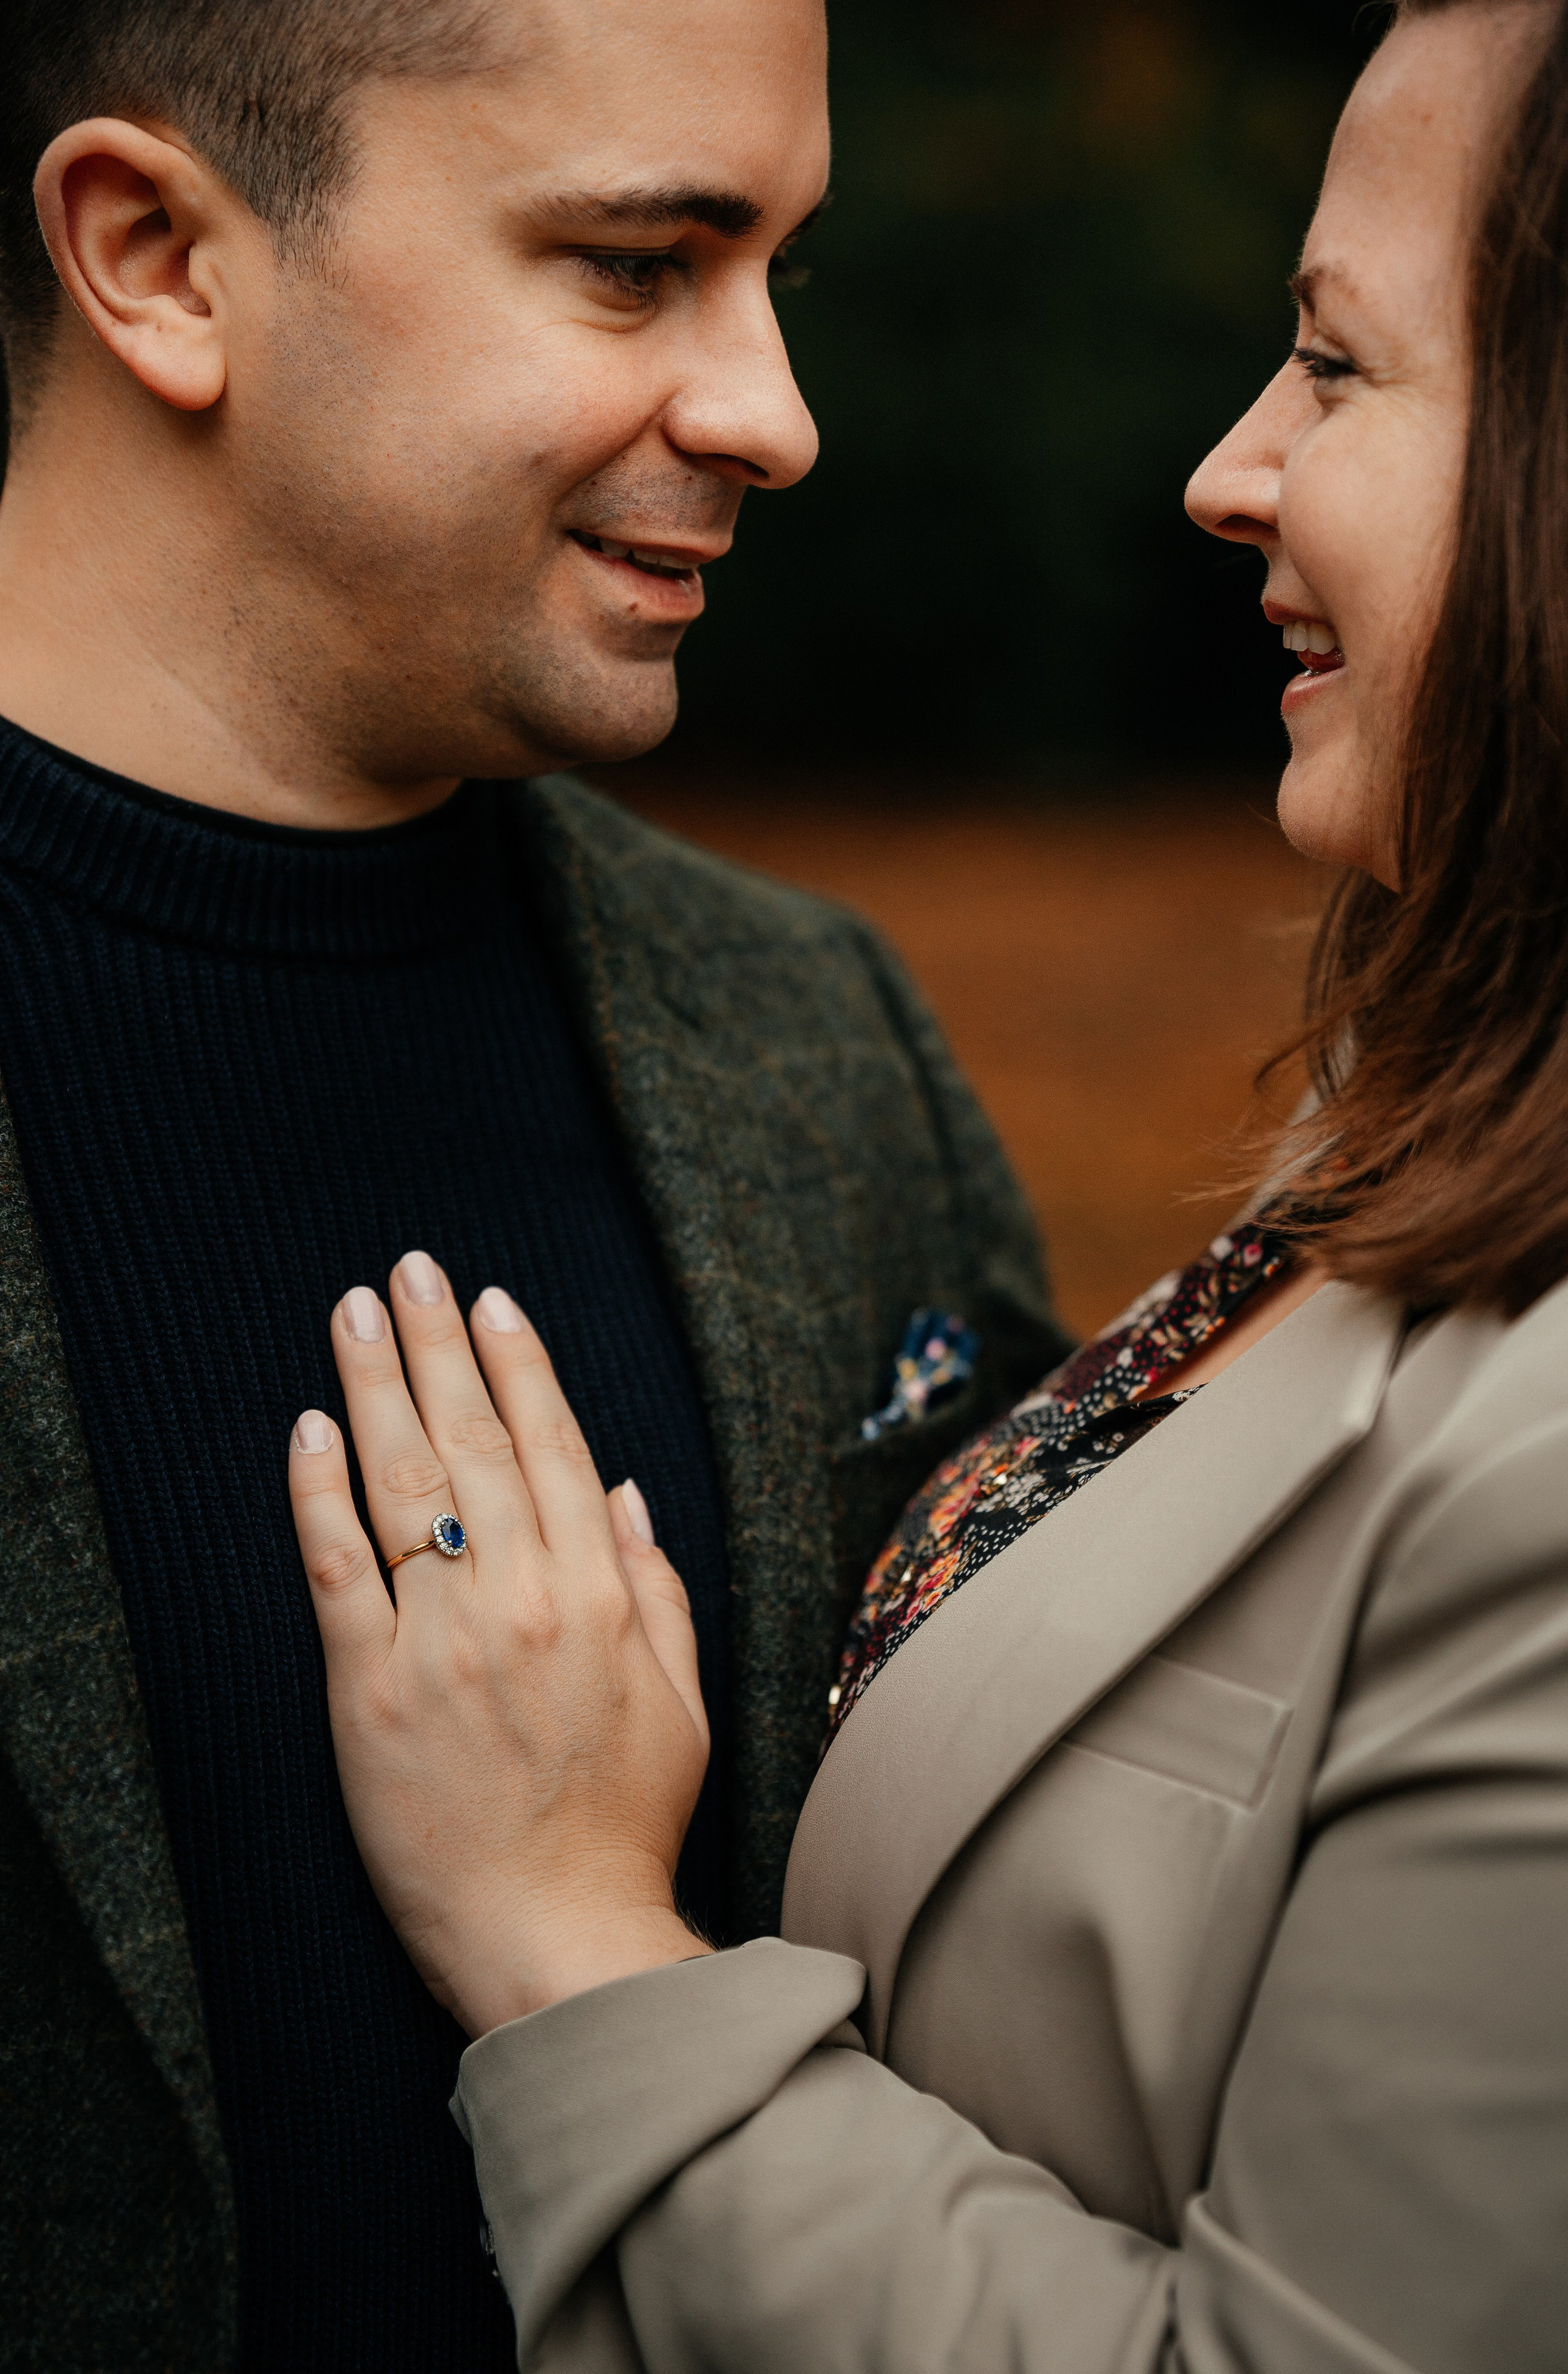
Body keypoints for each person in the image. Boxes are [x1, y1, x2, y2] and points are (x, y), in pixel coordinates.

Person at [288, 0, 1568, 2366]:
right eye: (635, 259)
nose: (1230, 466)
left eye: (1336, 364)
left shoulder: (819, 1041)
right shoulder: (1422, 1149)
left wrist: (577, 1938)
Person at [0, 2, 1065, 2367]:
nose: (775, 412)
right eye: (635, 262)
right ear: (157, 253)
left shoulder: (823, 1043)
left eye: (776, 264)